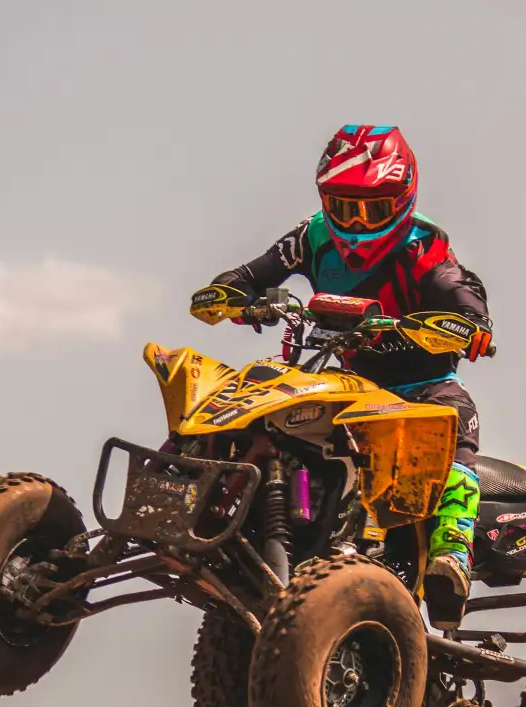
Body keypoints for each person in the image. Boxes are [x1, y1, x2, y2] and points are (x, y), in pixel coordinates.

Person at [200, 124, 494, 630]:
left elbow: (462, 295)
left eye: (374, 209)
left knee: (456, 422)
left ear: (402, 201)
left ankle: (452, 555)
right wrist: (235, 293)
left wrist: (468, 325)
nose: (357, 224)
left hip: (419, 391)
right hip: (345, 383)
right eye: (343, 207)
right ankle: (207, 511)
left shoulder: (426, 247)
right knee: (263, 405)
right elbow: (254, 272)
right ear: (324, 200)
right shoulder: (311, 236)